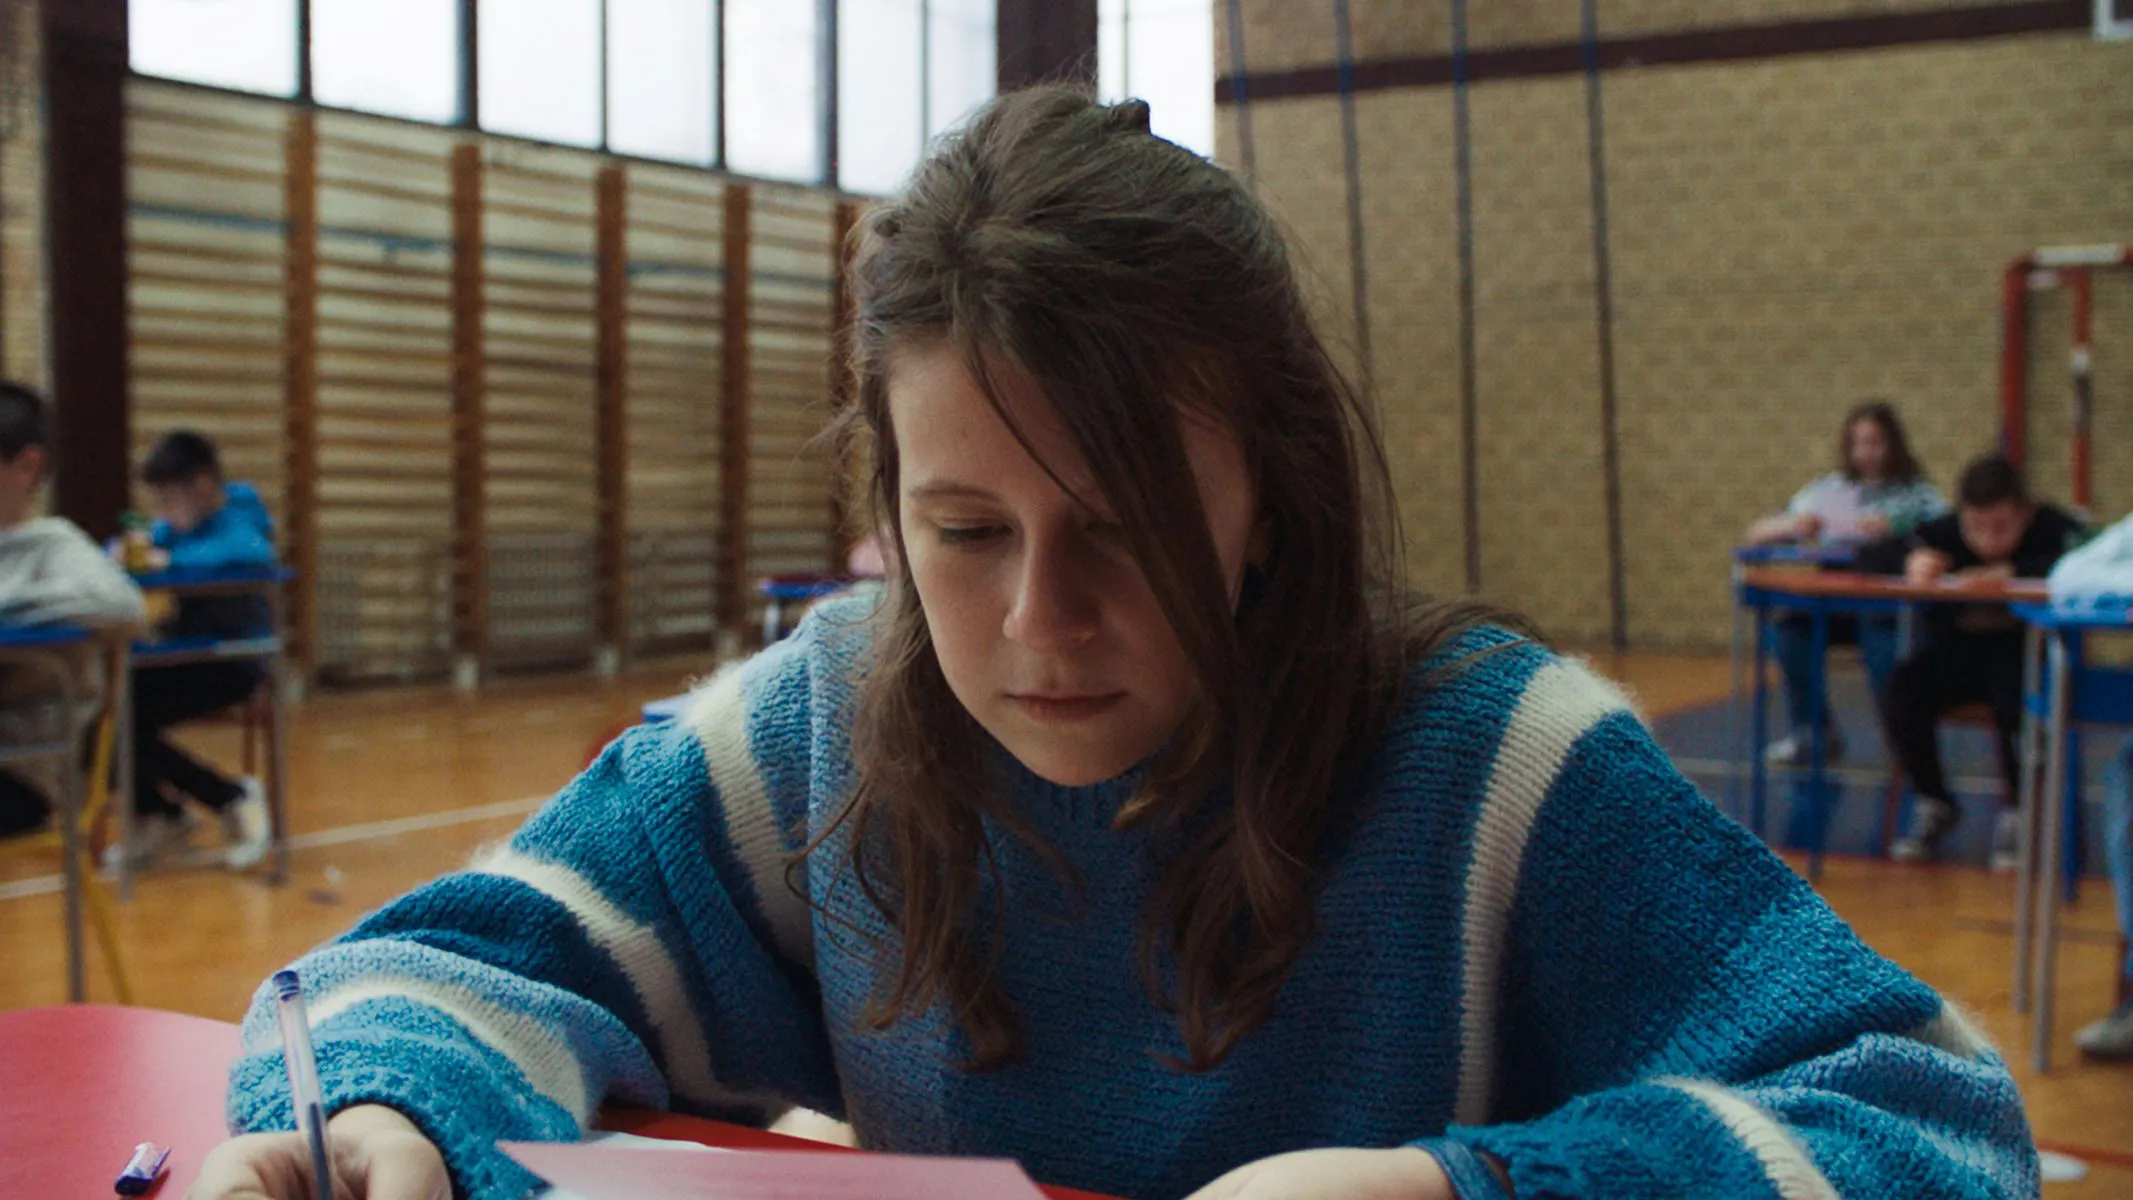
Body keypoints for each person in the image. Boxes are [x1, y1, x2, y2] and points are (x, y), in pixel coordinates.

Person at [191, 88, 2034, 1200]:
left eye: (1126, 530)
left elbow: (1936, 1127)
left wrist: (1458, 1186)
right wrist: (383, 1108)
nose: (1035, 624)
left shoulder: (1494, 770)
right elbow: (430, 967)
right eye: (963, 531)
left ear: (1266, 499)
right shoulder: (820, 731)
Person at [1882, 454, 2084, 864]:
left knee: (2017, 702)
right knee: (1901, 689)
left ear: (2025, 514)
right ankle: (1935, 802)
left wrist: (2014, 572)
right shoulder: (1941, 531)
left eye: (2001, 527)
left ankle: (2019, 811)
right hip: (1957, 656)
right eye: (1976, 527)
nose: (1988, 540)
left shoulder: (2052, 527)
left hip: (2021, 657)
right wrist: (1910, 560)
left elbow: (2083, 557)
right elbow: (1878, 552)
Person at [1743, 401, 1945, 765]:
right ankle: (1814, 733)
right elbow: (1756, 532)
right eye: (1858, 443)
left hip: (1886, 607)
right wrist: (1794, 525)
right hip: (1832, 605)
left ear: (1893, 443)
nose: (1867, 452)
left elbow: (1949, 532)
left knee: (1882, 643)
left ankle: (1901, 738)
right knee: (1790, 632)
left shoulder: (1916, 493)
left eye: (1875, 442)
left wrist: (1898, 527)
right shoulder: (1828, 490)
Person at [115, 429, 277, 869]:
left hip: (232, 660)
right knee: (105, 706)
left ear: (203, 486)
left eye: (169, 499)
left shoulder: (241, 518)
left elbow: (253, 552)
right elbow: (139, 544)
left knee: (120, 714)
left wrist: (172, 561)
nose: (162, 512)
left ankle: (227, 796)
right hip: (184, 654)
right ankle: (160, 811)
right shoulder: (175, 529)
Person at [0, 383, 144, 835]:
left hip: (21, 772)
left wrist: (12, 606)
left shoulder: (56, 545)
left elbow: (122, 605)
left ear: (26, 467)